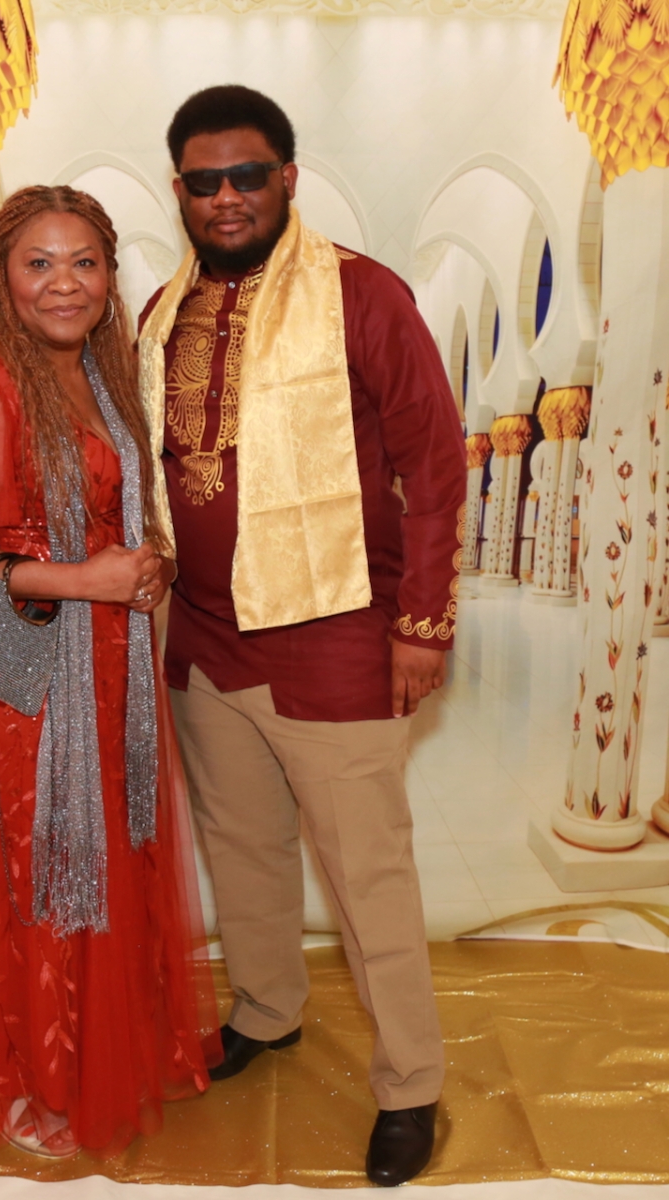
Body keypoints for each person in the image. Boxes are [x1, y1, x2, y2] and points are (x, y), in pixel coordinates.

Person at [138, 86, 466, 1186]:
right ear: (180, 190)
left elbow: (435, 461)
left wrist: (421, 623)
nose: (226, 198)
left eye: (247, 176)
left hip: (336, 637)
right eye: (204, 182)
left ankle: (410, 1085)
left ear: (288, 177)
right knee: (242, 848)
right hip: (204, 636)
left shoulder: (363, 294)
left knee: (367, 874)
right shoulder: (162, 313)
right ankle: (267, 1010)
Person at [0, 185, 221, 1160]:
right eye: (39, 263)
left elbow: (110, 514)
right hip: (11, 666)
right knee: (24, 864)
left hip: (99, 656)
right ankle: (17, 1077)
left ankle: (86, 1050)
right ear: (3, 276)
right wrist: (81, 580)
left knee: (93, 853)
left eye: (84, 262)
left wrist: (146, 565)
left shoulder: (100, 380)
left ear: (110, 276)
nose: (63, 283)